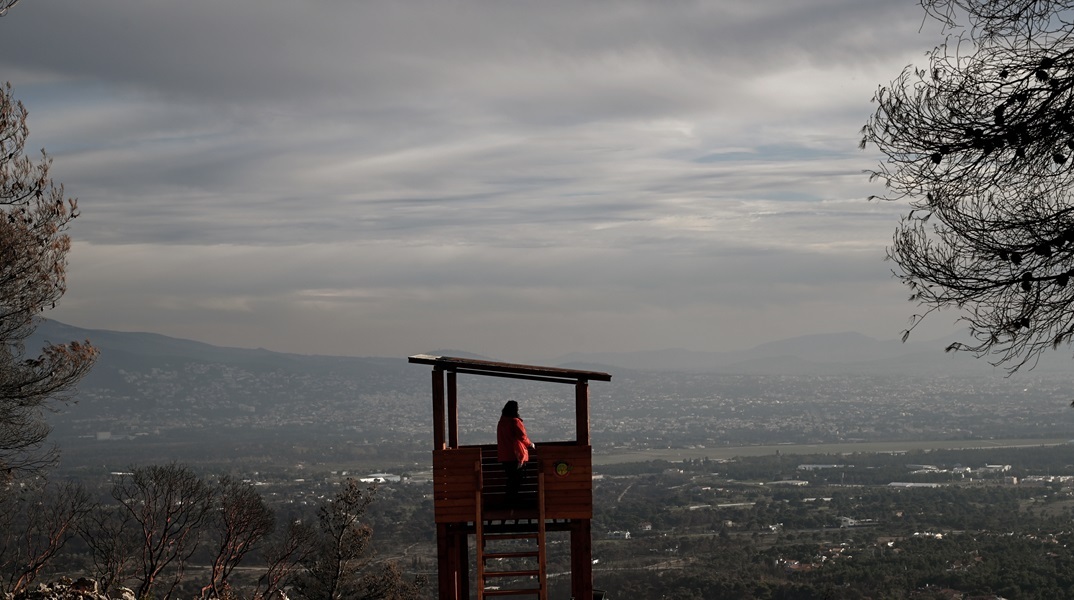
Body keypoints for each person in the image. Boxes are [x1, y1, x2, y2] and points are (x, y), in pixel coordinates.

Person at [497, 400, 535, 507]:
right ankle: (515, 502)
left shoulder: (501, 422)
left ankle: (509, 501)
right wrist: (530, 444)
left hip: (504, 456)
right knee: (517, 479)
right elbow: (522, 436)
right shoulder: (515, 421)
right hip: (516, 456)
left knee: (510, 479)